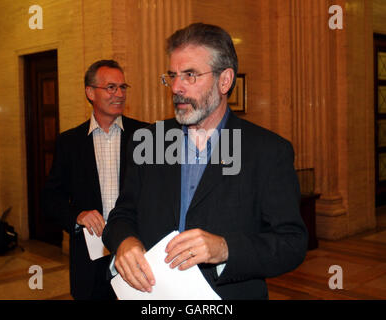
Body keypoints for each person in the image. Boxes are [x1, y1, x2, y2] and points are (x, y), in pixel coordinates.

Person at [102, 23, 308, 300]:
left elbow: (291, 243)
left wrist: (224, 249)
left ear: (224, 81)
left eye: (190, 75)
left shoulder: (268, 151)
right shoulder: (148, 140)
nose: (176, 87)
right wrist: (125, 242)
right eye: (172, 76)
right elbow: (122, 215)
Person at [42, 60, 148, 300]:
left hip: (135, 253)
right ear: (90, 92)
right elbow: (50, 198)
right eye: (111, 87)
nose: (119, 94)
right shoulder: (69, 142)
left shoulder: (146, 136)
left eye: (123, 87)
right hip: (90, 261)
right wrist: (77, 216)